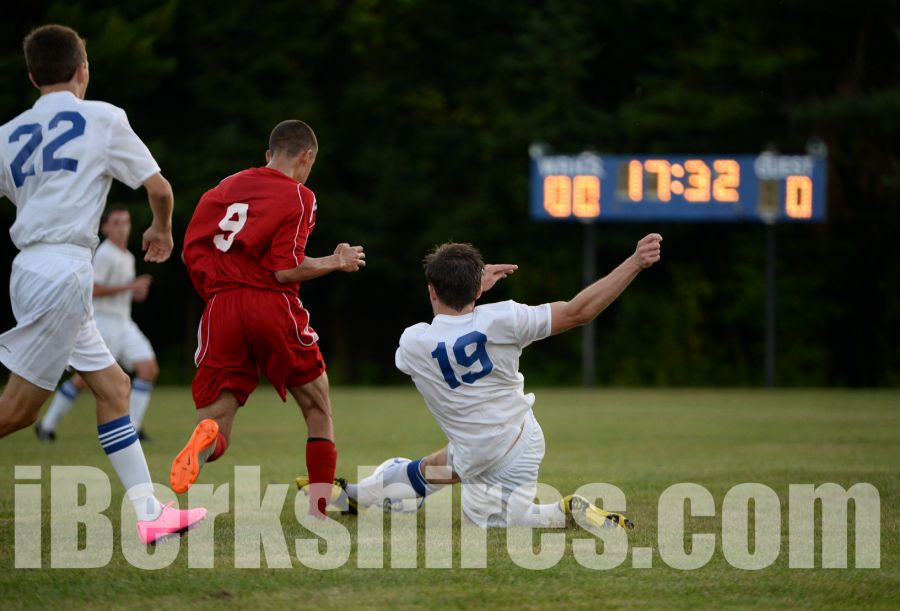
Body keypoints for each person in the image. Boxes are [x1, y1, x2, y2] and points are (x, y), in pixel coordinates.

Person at [0, 24, 206, 544]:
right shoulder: (103, 118)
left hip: (33, 268)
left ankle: (150, 513)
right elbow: (160, 188)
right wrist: (162, 229)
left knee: (115, 388)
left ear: (32, 76)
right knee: (18, 411)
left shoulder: (8, 133)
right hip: (65, 271)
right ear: (83, 71)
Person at [299, 235, 662, 528]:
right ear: (477, 290)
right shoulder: (505, 318)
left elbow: (450, 333)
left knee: (492, 522)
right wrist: (634, 262)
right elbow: (579, 312)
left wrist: (472, 290)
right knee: (431, 470)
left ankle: (560, 511)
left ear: (431, 289)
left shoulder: (412, 343)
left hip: (479, 451)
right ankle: (352, 496)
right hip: (521, 440)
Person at [170, 119, 365, 518]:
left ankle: (205, 444)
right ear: (306, 157)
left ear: (268, 155)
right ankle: (318, 509)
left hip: (221, 307)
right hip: (270, 305)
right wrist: (335, 260)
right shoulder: (299, 196)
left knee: (217, 421)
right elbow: (285, 270)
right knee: (317, 408)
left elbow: (191, 251)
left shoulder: (222, 189)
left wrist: (220, 292)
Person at [35, 205, 160, 442]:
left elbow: (120, 290)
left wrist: (135, 292)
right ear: (105, 228)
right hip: (103, 322)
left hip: (124, 321)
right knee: (84, 380)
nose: (122, 228)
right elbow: (94, 289)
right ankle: (47, 425)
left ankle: (133, 427)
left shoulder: (127, 256)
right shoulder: (105, 253)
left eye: (125, 222)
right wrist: (130, 286)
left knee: (148, 369)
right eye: (116, 223)